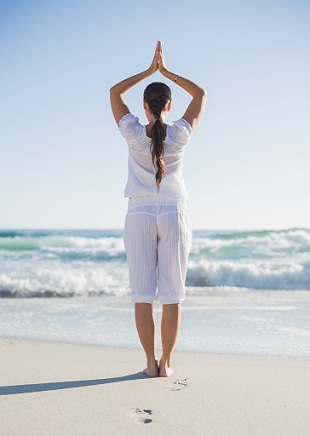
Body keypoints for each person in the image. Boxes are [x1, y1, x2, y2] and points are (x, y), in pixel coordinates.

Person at [110, 41, 206, 377]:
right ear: (168, 106)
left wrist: (149, 72)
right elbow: (201, 94)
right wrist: (167, 73)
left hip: (138, 214)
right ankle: (166, 364)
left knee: (142, 294)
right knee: (172, 295)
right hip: (173, 213)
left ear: (145, 106)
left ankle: (150, 364)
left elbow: (114, 92)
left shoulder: (134, 133)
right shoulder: (179, 134)